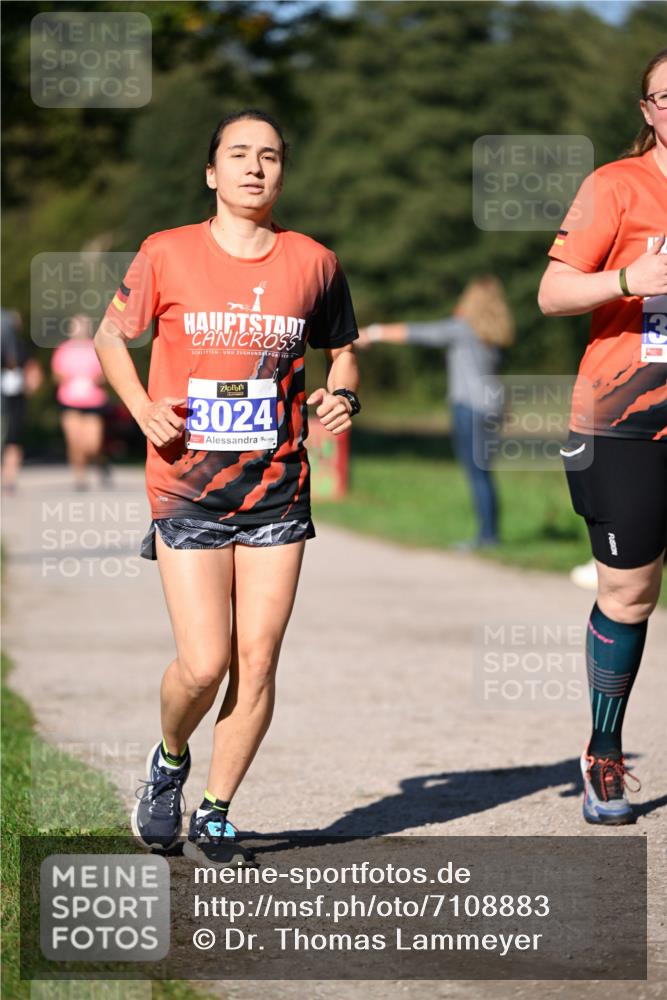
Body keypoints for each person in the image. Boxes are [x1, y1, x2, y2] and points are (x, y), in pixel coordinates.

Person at [94, 109, 360, 863]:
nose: (254, 168)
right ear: (211, 172)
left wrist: (342, 394)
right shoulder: (166, 252)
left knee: (259, 657)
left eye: (269, 156)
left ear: (282, 172)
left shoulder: (314, 261)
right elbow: (112, 337)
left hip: (276, 483)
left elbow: (343, 352)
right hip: (187, 483)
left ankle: (215, 807)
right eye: (238, 155)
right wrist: (142, 405)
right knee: (204, 662)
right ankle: (171, 757)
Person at [538, 49, 667, 825]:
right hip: (625, 419)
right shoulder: (614, 186)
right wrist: (629, 281)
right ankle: (603, 749)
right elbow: (552, 291)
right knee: (628, 591)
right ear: (648, 109)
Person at [358, 276, 514, 548]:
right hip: (493, 407)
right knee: (484, 471)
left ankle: (488, 536)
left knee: (476, 472)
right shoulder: (495, 335)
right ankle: (490, 532)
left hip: (469, 407)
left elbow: (417, 333)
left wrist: (372, 333)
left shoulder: (463, 329)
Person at [51, 314, 110, 490]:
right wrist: (65, 378)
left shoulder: (96, 347)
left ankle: (100, 462)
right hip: (70, 401)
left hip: (93, 401)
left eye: (83, 326)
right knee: (74, 442)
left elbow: (107, 373)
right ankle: (80, 477)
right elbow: (56, 375)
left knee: (92, 444)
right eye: (76, 326)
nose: (80, 329)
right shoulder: (63, 349)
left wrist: (96, 379)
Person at [1, 308, 42, 492]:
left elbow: (33, 372)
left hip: (16, 398)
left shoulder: (22, 347)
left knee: (13, 438)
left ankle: (8, 478)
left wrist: (29, 385)